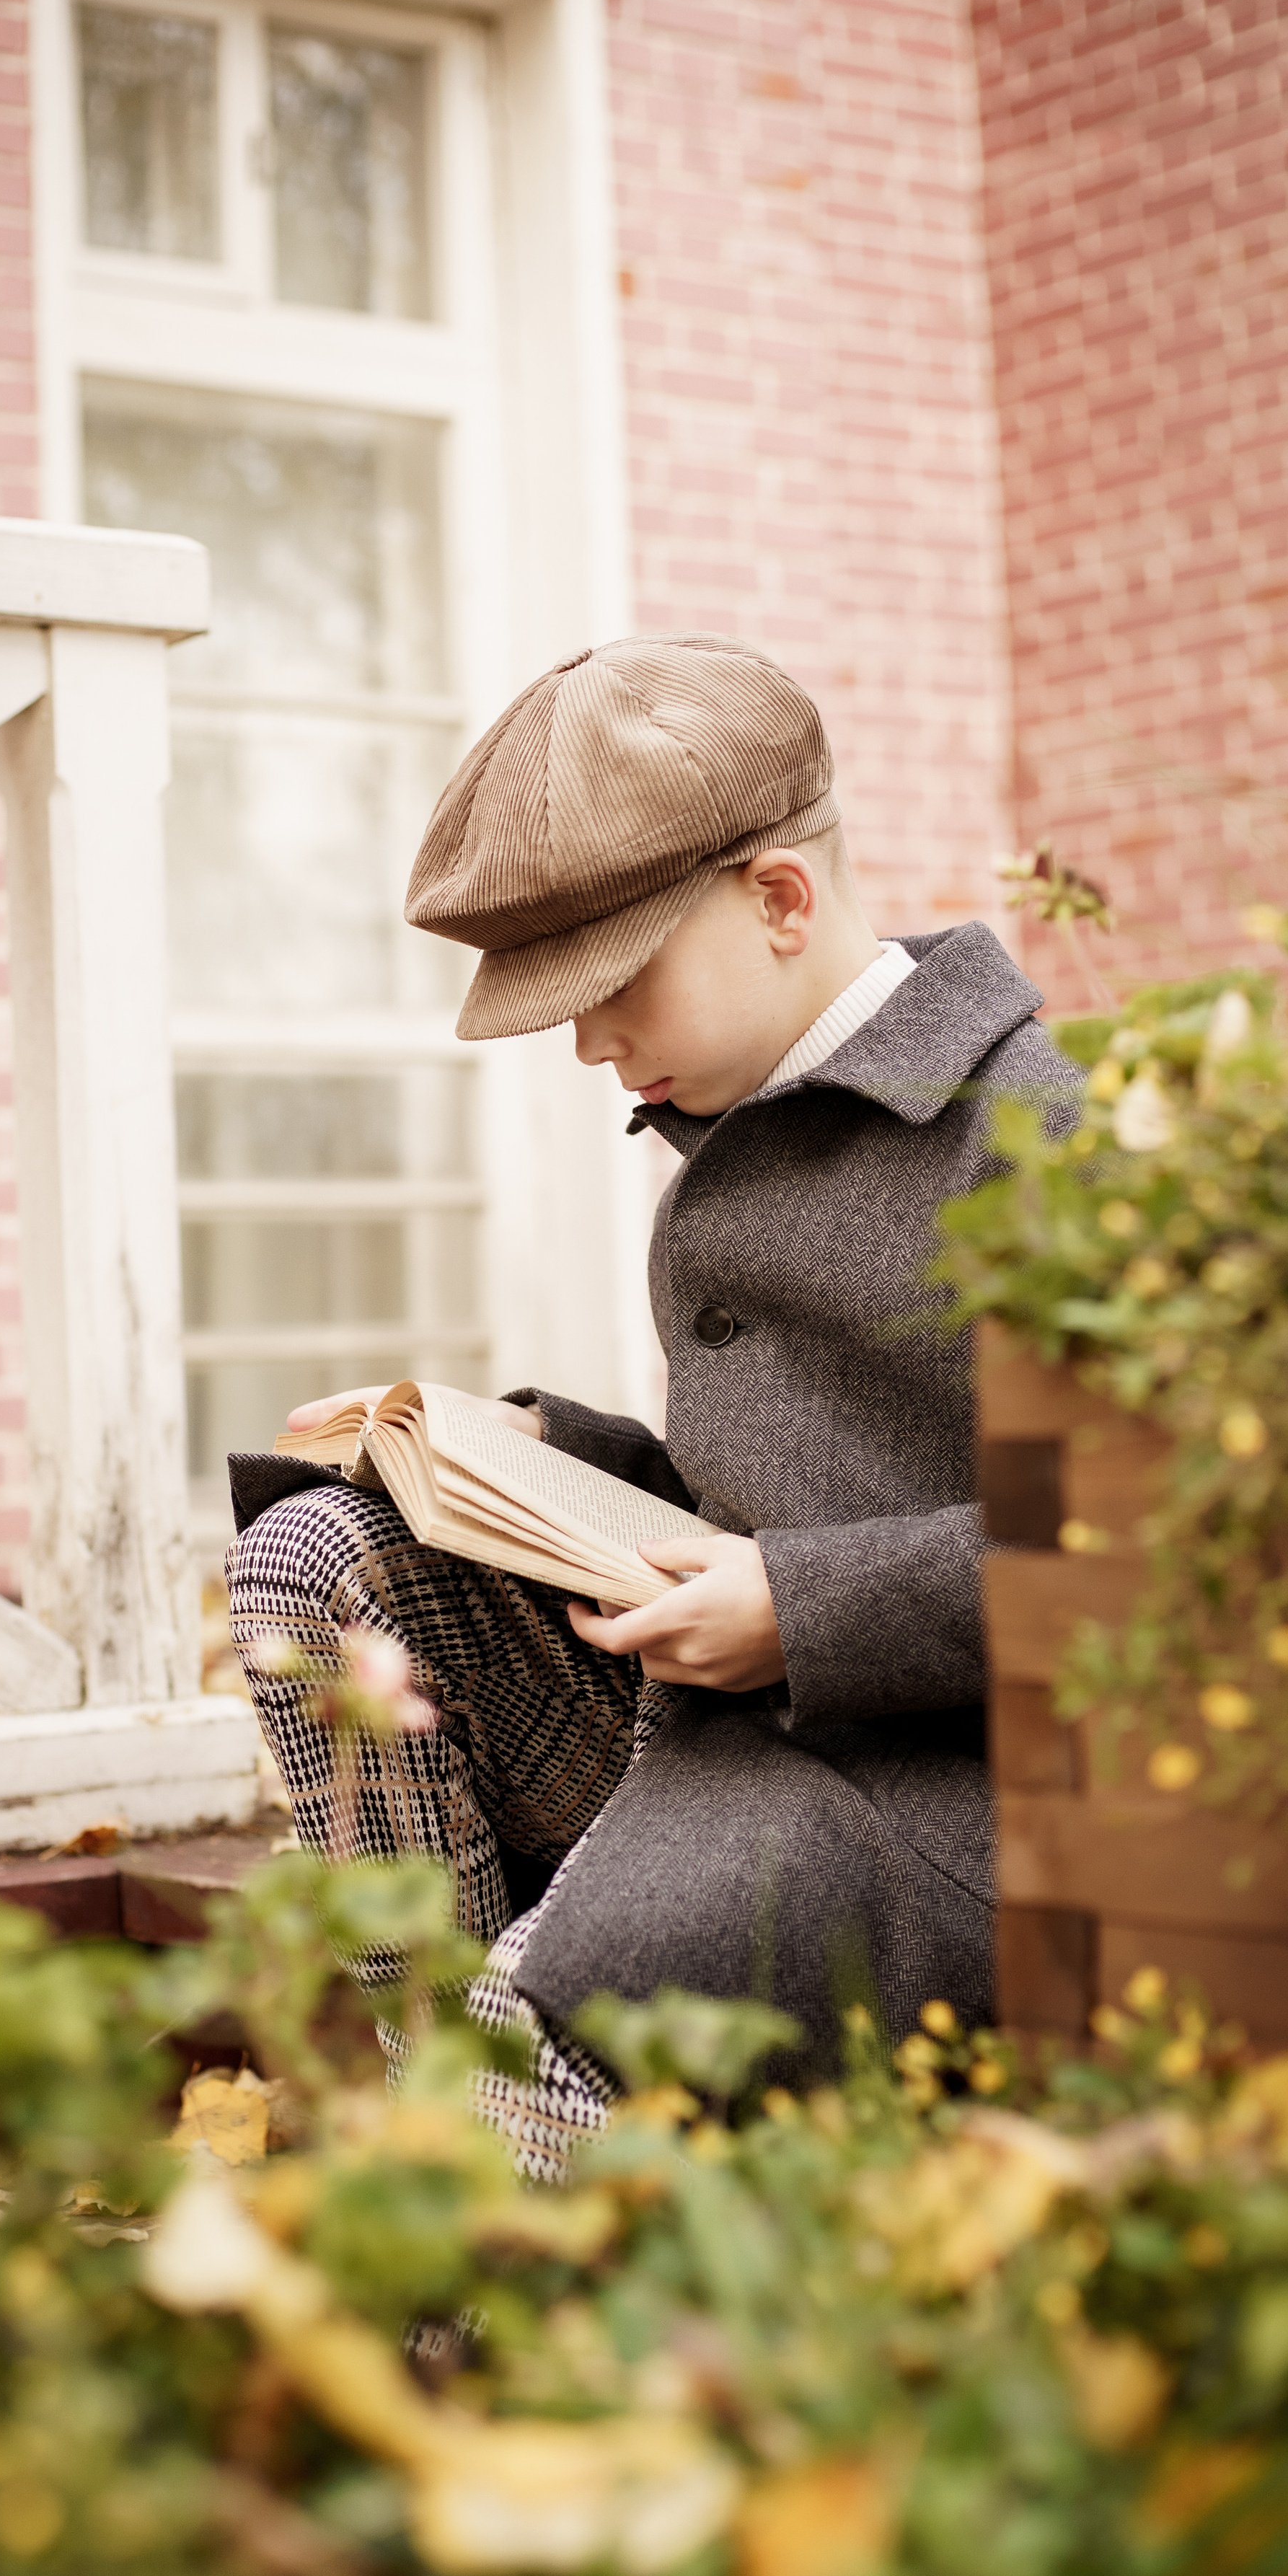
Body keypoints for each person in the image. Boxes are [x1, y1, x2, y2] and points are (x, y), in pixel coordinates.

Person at [226, 632, 1077, 2173]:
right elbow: (783, 1481)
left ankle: (491, 2169)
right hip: (712, 1727)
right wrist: (539, 1455)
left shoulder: (1032, 1142)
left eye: (613, 985)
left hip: (919, 1802)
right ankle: (450, 2112)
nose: (585, 1043)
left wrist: (804, 1611)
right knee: (313, 1572)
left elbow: (1131, 1560)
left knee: (546, 2037)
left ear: (777, 901)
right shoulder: (729, 1106)